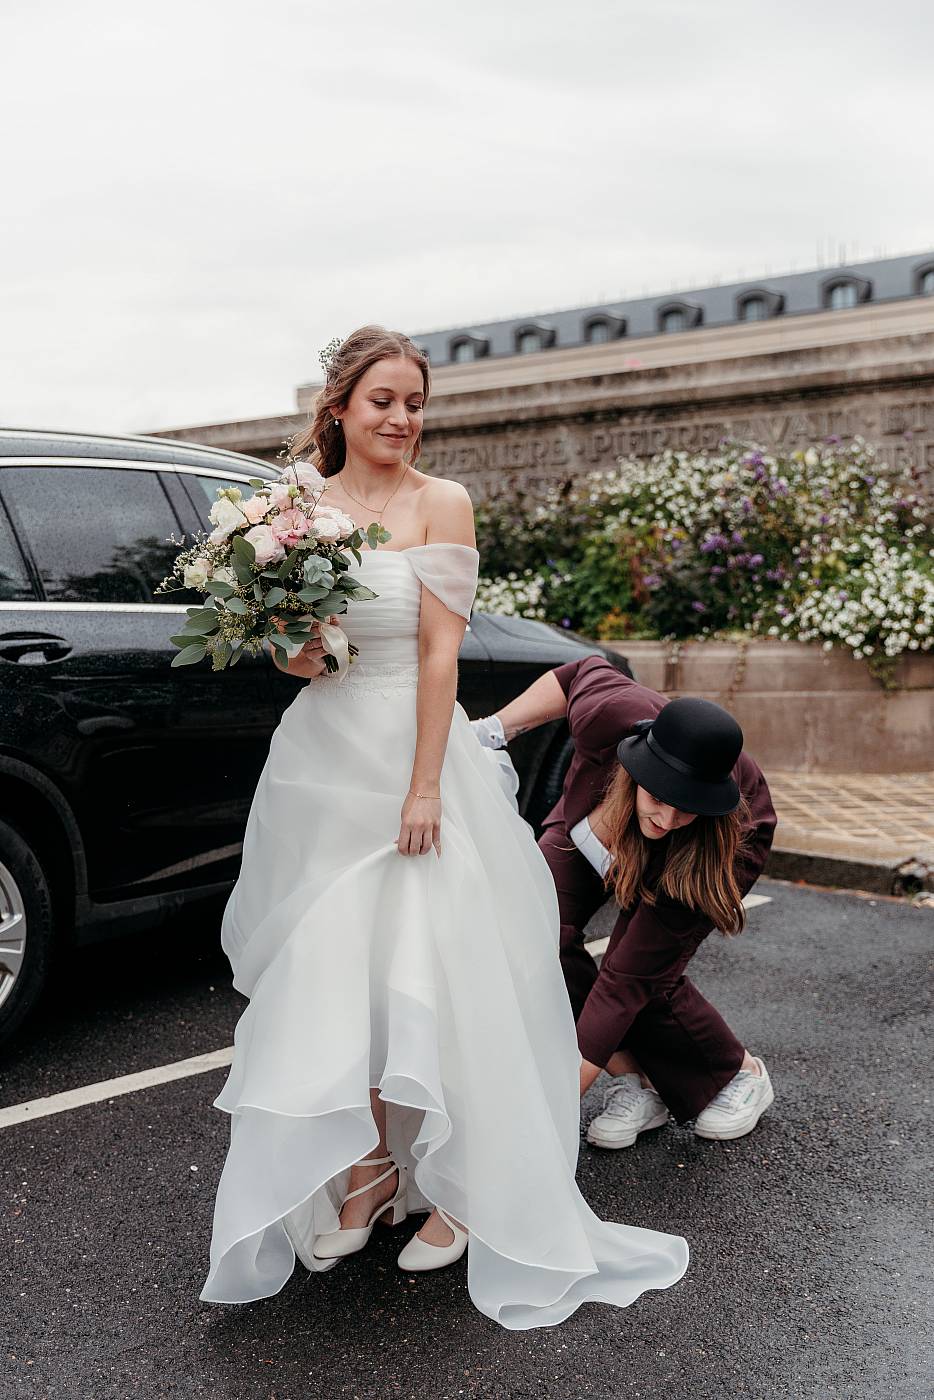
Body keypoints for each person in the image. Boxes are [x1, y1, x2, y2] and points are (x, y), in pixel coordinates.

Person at [199, 326, 688, 1329]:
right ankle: (373, 1169)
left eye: (414, 400)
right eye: (381, 398)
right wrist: (295, 632)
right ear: (339, 406)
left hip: (414, 760)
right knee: (344, 979)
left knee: (432, 975)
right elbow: (302, 660)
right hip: (321, 767)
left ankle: (462, 1186)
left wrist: (426, 784)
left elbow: (437, 661)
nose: (400, 417)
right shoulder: (293, 504)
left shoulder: (443, 501)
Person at [471, 656, 778, 1150]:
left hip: (704, 852)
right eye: (660, 796)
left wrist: (534, 1127)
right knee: (530, 923)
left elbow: (622, 984)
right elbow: (577, 674)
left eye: (686, 805)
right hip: (598, 815)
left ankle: (738, 1073)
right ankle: (636, 1082)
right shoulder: (611, 713)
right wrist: (490, 731)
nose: (669, 816)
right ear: (635, 767)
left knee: (640, 972)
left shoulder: (713, 834)